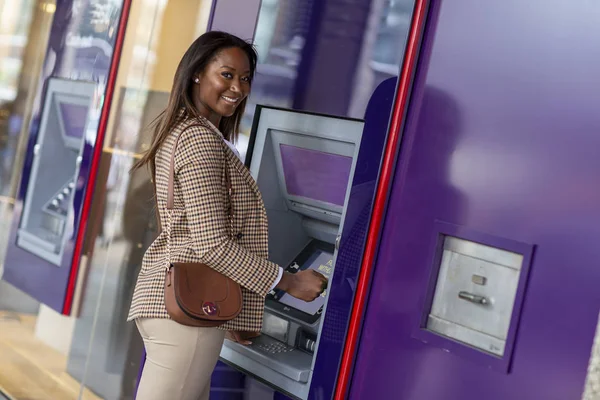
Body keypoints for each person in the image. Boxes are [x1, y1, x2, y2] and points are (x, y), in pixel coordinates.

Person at [128, 31, 327, 400]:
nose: (238, 87)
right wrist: (289, 282)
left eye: (246, 77)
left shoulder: (189, 131)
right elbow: (212, 245)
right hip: (185, 314)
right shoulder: (199, 140)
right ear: (197, 74)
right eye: (227, 74)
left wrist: (233, 311)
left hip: (184, 305)